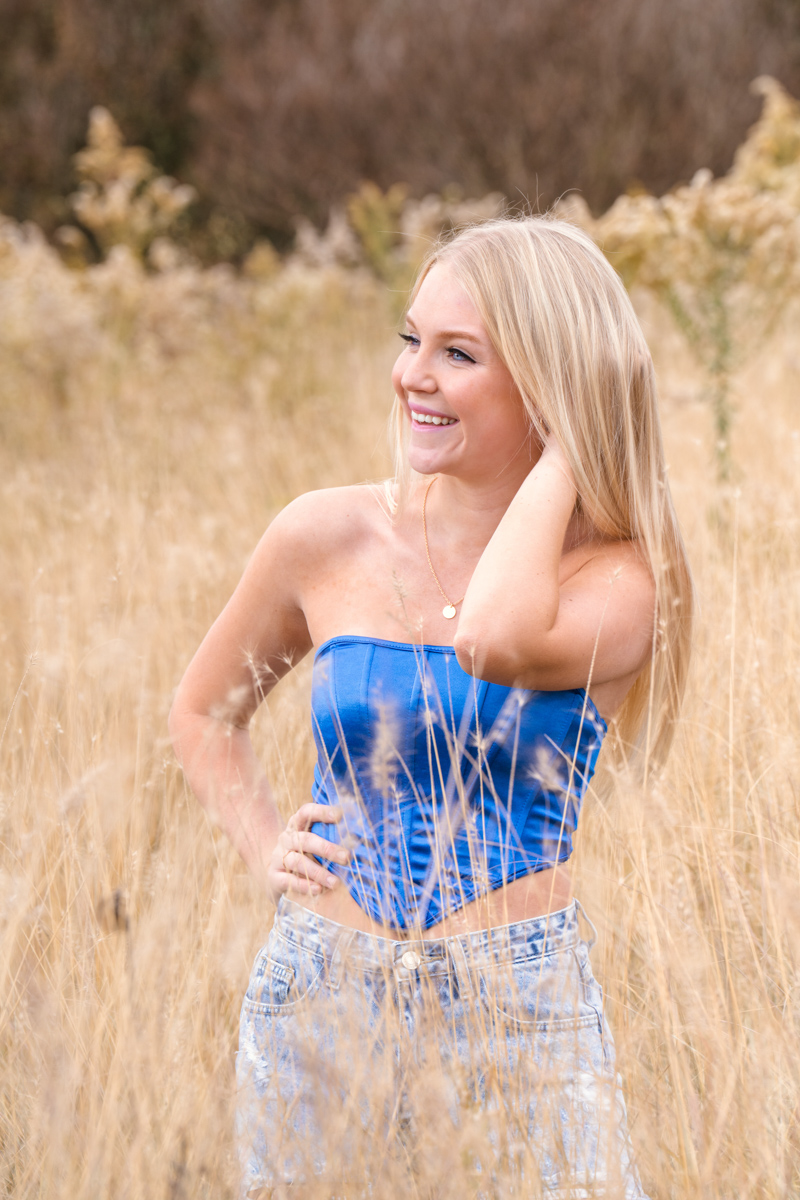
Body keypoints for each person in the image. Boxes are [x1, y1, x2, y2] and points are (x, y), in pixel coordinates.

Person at [169, 215, 692, 1199]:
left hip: (520, 1007)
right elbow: (203, 711)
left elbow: (492, 637)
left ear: (549, 384)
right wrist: (265, 846)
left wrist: (570, 451)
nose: (412, 375)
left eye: (458, 354)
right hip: (319, 993)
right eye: (412, 339)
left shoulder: (620, 578)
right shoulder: (325, 534)